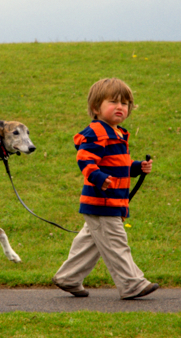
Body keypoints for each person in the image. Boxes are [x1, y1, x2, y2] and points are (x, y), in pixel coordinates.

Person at [52, 78, 158, 300]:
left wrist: (137, 167)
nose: (120, 107)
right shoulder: (97, 132)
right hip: (102, 202)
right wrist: (99, 178)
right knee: (116, 243)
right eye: (113, 102)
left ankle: (68, 277)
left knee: (90, 243)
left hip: (112, 202)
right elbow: (85, 158)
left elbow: (118, 165)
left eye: (125, 103)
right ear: (95, 108)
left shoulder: (117, 133)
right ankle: (132, 284)